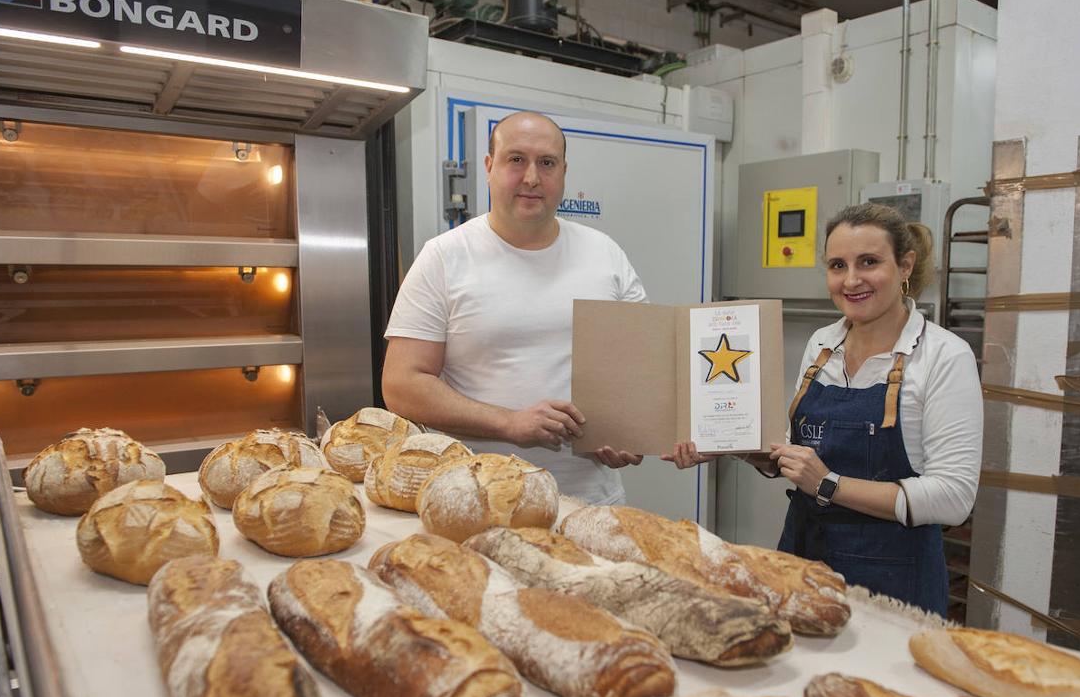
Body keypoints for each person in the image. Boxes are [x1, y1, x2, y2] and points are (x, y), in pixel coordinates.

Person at [666, 203, 982, 615]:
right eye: (837, 265)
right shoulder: (821, 344)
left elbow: (953, 497)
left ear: (905, 266)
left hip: (894, 583)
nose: (851, 280)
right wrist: (735, 446)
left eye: (869, 262)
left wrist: (829, 484)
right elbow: (800, 458)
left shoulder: (943, 356)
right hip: (802, 562)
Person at [382, 110, 646, 505]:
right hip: (476, 502)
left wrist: (629, 431)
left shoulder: (604, 253)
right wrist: (509, 423)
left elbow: (642, 368)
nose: (532, 178)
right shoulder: (445, 256)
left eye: (547, 163)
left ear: (564, 172)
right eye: (516, 159)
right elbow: (402, 385)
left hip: (591, 502)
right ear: (489, 167)